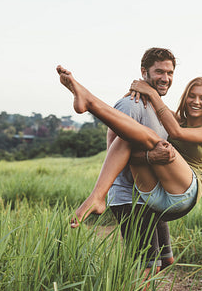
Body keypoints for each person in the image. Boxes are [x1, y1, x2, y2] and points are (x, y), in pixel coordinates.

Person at [56, 61, 202, 222]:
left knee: (156, 141)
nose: (196, 102)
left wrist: (151, 92)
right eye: (192, 96)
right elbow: (137, 118)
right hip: (154, 195)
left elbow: (176, 132)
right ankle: (97, 196)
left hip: (183, 195)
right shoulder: (176, 118)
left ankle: (90, 102)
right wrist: (136, 92)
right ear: (185, 98)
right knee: (129, 137)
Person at [70, 48, 179, 271]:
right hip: (130, 197)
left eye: (169, 73)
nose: (165, 78)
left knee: (165, 260)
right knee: (146, 267)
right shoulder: (131, 105)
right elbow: (115, 150)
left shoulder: (159, 109)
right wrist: (150, 157)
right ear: (144, 72)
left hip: (152, 196)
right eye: (159, 72)